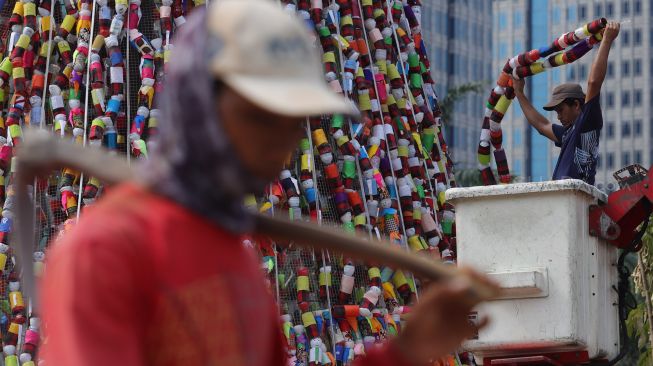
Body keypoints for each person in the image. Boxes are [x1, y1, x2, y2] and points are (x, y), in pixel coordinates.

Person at [40, 1, 496, 365]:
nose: (279, 145)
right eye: (261, 116)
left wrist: (406, 351)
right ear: (198, 104)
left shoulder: (235, 259)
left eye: (293, 122)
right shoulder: (106, 250)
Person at [512, 21, 620, 185]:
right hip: (564, 197)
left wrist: (607, 40)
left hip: (576, 197)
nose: (559, 116)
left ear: (576, 105)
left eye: (561, 110)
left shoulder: (587, 121)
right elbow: (542, 126)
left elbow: (593, 83)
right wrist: (519, 93)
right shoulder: (569, 133)